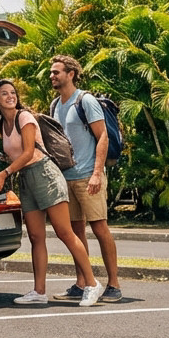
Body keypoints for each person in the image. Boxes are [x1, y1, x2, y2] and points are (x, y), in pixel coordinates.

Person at [0, 79, 102, 307]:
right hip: (26, 179)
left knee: (64, 232)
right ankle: (39, 291)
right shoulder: (2, 124)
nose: (11, 96)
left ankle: (91, 283)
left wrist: (5, 174)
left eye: (13, 92)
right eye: (4, 94)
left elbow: (28, 153)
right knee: (36, 237)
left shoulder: (24, 118)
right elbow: (14, 154)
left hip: (44, 173)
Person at [49, 55, 123, 304]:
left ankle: (114, 284)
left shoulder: (86, 100)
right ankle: (82, 282)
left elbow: (103, 137)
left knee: (99, 228)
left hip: (88, 176)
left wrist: (96, 173)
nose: (52, 76)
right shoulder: (55, 105)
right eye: (51, 72)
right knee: (75, 231)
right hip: (66, 177)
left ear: (71, 74)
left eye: (56, 72)